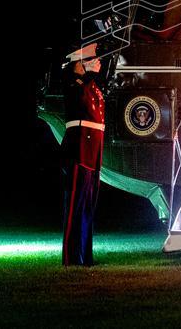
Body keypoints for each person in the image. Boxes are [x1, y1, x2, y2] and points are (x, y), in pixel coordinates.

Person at [60, 42, 106, 266]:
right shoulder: (74, 84)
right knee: (75, 208)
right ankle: (71, 257)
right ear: (77, 65)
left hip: (91, 152)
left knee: (87, 207)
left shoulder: (91, 86)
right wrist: (88, 76)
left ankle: (85, 256)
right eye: (86, 62)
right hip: (79, 151)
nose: (93, 63)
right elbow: (79, 96)